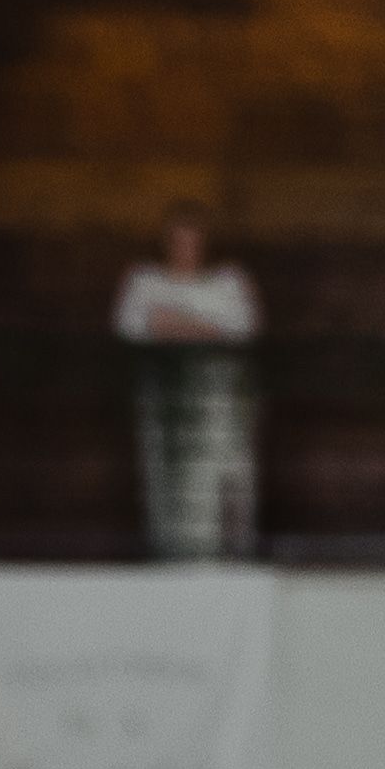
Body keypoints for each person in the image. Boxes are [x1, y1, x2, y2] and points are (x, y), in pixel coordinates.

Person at [111, 203, 261, 559]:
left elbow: (243, 327)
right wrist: (203, 327)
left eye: (192, 240)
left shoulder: (228, 282)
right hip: (164, 403)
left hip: (220, 401)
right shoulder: (145, 281)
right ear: (166, 242)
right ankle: (170, 553)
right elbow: (130, 325)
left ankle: (229, 556)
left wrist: (172, 322)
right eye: (177, 240)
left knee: (224, 478)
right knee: (167, 482)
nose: (185, 248)